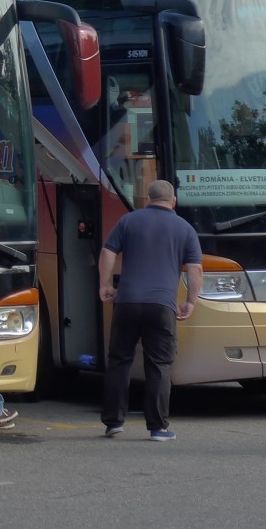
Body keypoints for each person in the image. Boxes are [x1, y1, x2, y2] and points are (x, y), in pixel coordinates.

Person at [99, 179, 202, 441]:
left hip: (128, 302)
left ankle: (113, 422)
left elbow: (108, 251)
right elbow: (195, 269)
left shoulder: (129, 221)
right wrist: (191, 301)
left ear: (147, 198)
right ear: (174, 201)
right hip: (162, 306)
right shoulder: (185, 228)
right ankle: (158, 428)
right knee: (159, 365)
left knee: (119, 360)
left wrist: (106, 284)